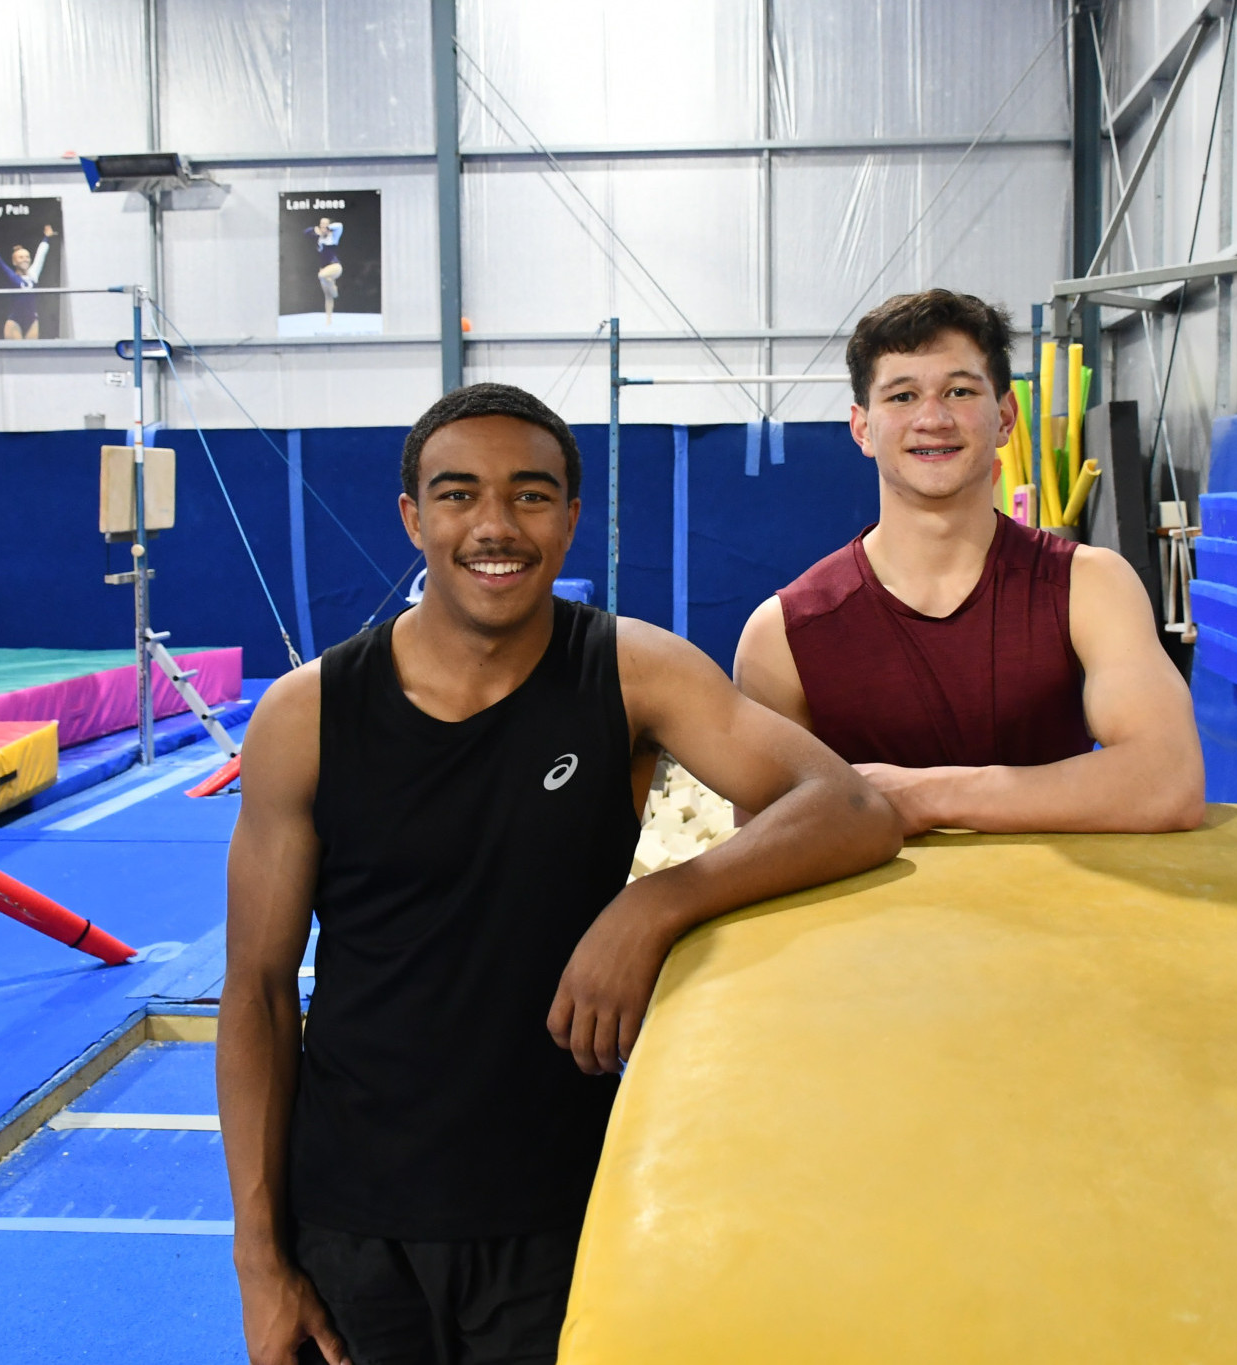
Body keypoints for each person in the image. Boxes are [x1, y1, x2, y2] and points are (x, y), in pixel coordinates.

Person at [220, 383, 901, 1365]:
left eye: (530, 495)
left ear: (571, 518)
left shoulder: (630, 672)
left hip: (563, 1207)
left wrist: (655, 905)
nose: (494, 525)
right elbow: (256, 994)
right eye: (458, 494)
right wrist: (259, 1260)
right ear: (412, 517)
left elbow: (848, 806)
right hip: (354, 1223)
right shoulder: (306, 716)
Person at [732, 289, 1205, 837]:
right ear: (862, 428)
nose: (932, 418)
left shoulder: (1091, 585)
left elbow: (1168, 780)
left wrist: (926, 797)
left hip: (1058, 895)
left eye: (959, 391)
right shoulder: (784, 635)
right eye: (902, 396)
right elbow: (764, 844)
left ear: (1005, 417)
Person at [0, 223, 56, 340]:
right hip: (15, 321)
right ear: (14, 261)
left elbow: (41, 254)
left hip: (32, 320)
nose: (25, 260)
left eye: (27, 257)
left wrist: (47, 237)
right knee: (16, 351)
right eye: (21, 257)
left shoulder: (34, 275)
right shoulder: (11, 276)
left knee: (31, 351)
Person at [304, 217, 344, 323]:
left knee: (321, 275)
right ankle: (328, 320)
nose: (323, 226)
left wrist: (328, 227)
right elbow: (306, 232)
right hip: (323, 268)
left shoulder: (334, 236)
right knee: (328, 295)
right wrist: (315, 229)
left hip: (334, 267)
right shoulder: (320, 237)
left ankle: (334, 289)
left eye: (325, 224)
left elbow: (340, 225)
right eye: (321, 224)